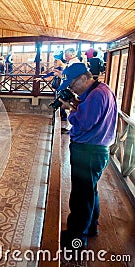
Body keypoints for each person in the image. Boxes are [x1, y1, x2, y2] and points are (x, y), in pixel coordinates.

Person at [58, 63, 117, 250]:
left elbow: (84, 123)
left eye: (72, 84)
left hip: (88, 151)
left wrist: (70, 110)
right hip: (95, 150)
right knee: (89, 190)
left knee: (80, 195)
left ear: (84, 78)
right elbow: (91, 116)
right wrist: (77, 105)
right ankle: (91, 226)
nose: (71, 88)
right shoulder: (101, 89)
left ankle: (77, 238)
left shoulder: (97, 95)